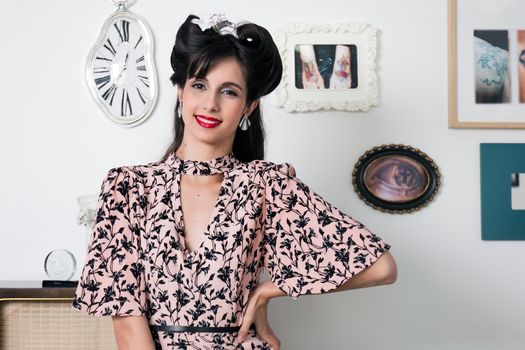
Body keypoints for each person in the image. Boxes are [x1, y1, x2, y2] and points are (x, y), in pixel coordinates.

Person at [72, 13, 397, 350]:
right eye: (199, 85)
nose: (210, 104)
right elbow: (126, 321)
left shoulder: (266, 185)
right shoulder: (129, 187)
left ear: (248, 107)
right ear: (181, 91)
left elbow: (382, 267)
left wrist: (270, 290)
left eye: (228, 92)